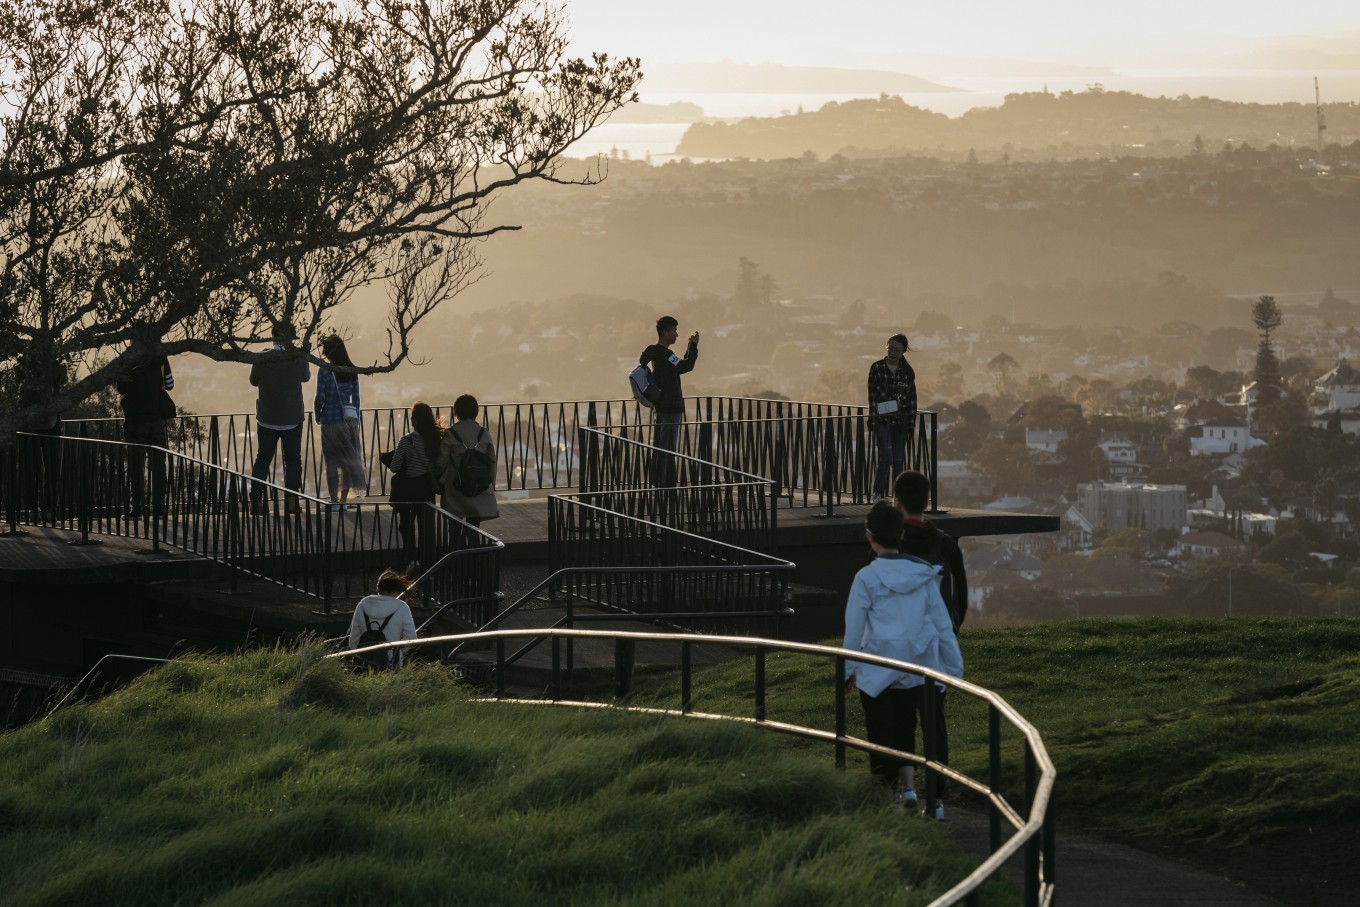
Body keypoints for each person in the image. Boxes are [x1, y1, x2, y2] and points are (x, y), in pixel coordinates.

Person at [843, 500, 962, 819]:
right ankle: (921, 795)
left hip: (877, 666)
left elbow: (853, 632)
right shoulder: (924, 576)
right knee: (910, 726)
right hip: (918, 664)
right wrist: (954, 669)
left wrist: (846, 670)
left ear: (869, 537)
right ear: (901, 536)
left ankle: (888, 797)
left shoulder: (865, 579)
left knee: (882, 732)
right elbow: (942, 625)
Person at [893, 468, 969, 815]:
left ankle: (906, 790)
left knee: (899, 717)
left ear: (896, 502)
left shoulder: (889, 543)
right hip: (936, 645)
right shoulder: (946, 545)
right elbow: (961, 600)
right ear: (927, 501)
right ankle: (936, 799)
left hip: (897, 645)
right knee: (933, 720)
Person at [249, 325, 311, 507]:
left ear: (272, 337)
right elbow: (305, 377)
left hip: (267, 417)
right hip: (292, 417)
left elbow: (253, 381)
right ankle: (292, 500)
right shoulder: (297, 357)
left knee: (263, 459)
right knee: (292, 460)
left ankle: (257, 501)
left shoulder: (262, 357)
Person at [639, 315, 698, 487]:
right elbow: (687, 366)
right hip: (672, 408)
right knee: (668, 450)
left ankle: (657, 483)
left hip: (660, 406)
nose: (676, 335)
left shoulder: (654, 352)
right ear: (665, 332)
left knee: (659, 448)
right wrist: (693, 345)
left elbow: (645, 361)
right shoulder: (666, 355)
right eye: (674, 331)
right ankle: (665, 487)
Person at [385, 401, 443, 573]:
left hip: (408, 489)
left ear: (415, 421)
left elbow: (394, 466)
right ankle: (428, 564)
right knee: (426, 528)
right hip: (427, 489)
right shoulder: (434, 440)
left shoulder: (406, 441)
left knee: (407, 527)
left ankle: (410, 561)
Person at [117, 353, 175, 521]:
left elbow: (121, 387)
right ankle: (159, 510)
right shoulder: (160, 356)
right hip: (155, 419)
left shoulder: (129, 358)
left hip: (135, 420)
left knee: (136, 466)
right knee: (158, 467)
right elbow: (170, 384)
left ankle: (137, 510)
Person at [315, 334, 367, 510]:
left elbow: (319, 397)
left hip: (330, 421)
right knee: (346, 463)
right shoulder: (352, 370)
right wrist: (356, 421)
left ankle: (334, 501)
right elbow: (357, 399)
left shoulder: (324, 370)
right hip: (349, 421)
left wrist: (317, 414)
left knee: (331, 462)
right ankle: (344, 502)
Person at [436, 394, 499, 527]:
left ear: (456, 412)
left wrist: (439, 479)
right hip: (478, 485)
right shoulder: (484, 433)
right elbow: (492, 462)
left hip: (455, 487)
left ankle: (457, 547)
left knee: (454, 527)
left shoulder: (450, 433)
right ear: (476, 411)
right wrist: (491, 484)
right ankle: (473, 546)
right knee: (474, 528)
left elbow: (442, 461)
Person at [867, 333, 917, 499]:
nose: (893, 352)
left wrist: (911, 423)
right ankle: (878, 492)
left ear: (903, 352)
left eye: (897, 350)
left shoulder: (907, 372)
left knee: (897, 461)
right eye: (890, 349)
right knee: (886, 459)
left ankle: (898, 495)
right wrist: (872, 418)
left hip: (900, 421)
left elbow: (911, 398)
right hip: (882, 419)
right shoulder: (877, 368)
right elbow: (873, 395)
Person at [347, 569, 418, 669]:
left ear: (378, 588)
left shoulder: (363, 604)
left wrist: (358, 655)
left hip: (363, 661)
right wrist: (400, 655)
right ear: (395, 590)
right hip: (390, 663)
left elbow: (353, 638)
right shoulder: (402, 607)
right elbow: (411, 639)